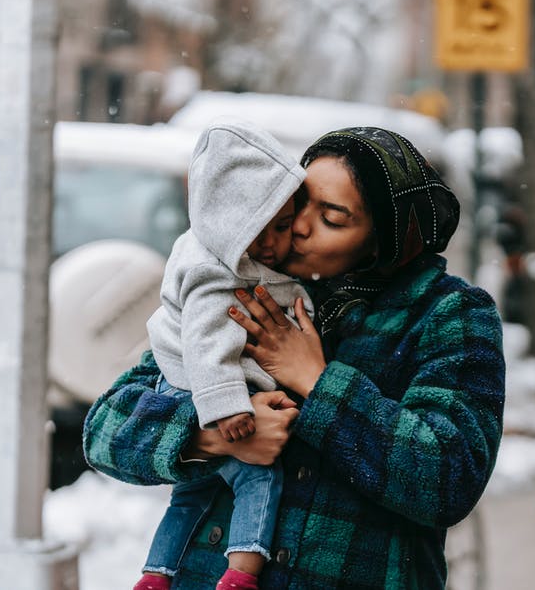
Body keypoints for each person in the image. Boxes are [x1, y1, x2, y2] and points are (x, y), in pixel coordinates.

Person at [84, 126, 505, 589]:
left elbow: (448, 479)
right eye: (299, 202)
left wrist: (318, 382)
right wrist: (215, 434)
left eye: (333, 217)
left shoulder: (448, 314)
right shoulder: (242, 281)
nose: (298, 226)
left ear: (386, 237)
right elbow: (105, 431)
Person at [134, 119, 314, 590]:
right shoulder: (216, 272)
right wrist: (223, 408)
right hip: (208, 392)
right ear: (229, 224)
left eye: (283, 226)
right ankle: (241, 574)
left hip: (187, 385)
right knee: (259, 479)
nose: (275, 244)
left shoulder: (208, 251)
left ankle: (155, 574)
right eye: (259, 232)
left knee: (189, 496)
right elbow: (207, 337)